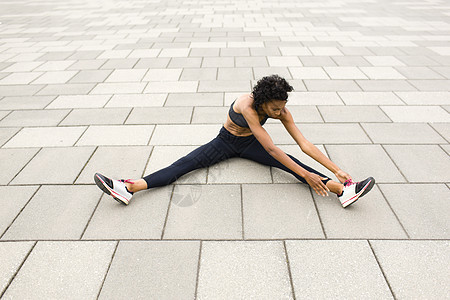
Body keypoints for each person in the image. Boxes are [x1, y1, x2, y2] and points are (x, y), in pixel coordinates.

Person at [94, 75, 375, 208]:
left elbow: (304, 144)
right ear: (263, 102)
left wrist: (334, 167)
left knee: (296, 166)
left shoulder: (281, 110)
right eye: (275, 108)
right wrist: (306, 175)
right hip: (226, 143)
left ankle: (343, 190)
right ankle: (129, 187)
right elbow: (272, 148)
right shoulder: (247, 106)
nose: (279, 113)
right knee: (183, 166)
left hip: (251, 144)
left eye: (282, 107)